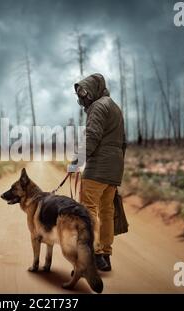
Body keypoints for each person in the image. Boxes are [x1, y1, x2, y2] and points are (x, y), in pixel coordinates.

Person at [72, 73, 126, 271]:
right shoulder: (114, 107)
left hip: (97, 169)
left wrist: (77, 161)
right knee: (106, 212)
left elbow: (92, 135)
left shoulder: (97, 107)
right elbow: (123, 142)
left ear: (94, 88)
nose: (82, 98)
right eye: (79, 95)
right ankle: (105, 255)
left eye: (84, 92)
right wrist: (116, 169)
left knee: (87, 211)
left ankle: (91, 256)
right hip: (114, 170)